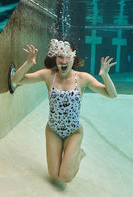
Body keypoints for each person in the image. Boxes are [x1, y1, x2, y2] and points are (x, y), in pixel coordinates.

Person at [11, 39, 117, 186]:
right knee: (54, 176)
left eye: (68, 56)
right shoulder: (48, 75)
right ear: (55, 58)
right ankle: (66, 155)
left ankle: (78, 154)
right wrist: (29, 62)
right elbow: (17, 80)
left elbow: (112, 94)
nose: (64, 60)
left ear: (74, 58)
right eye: (60, 56)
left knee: (65, 177)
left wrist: (104, 75)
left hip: (74, 132)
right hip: (53, 130)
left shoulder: (82, 78)